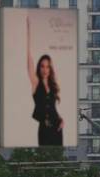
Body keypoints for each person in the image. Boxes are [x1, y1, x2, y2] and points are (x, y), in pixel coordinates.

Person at [27, 16, 64, 146]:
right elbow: (29, 58)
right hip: (44, 129)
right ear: (39, 67)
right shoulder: (36, 83)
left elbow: (53, 108)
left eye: (47, 66)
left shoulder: (53, 85)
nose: (45, 69)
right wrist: (28, 30)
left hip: (58, 128)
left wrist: (61, 119)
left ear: (50, 68)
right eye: (42, 66)